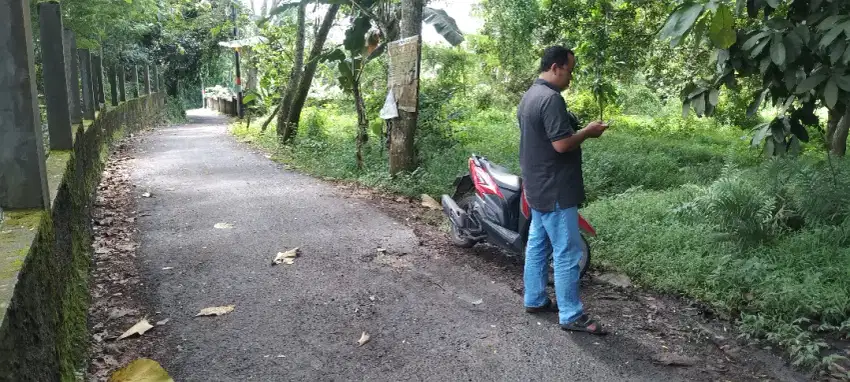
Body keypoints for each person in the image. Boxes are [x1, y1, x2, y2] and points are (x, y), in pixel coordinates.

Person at [517, 45, 608, 334]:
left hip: (536, 186)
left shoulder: (529, 96)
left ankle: (535, 299)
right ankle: (571, 315)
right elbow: (561, 144)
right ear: (556, 67)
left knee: (537, 247)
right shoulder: (551, 99)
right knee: (567, 252)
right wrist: (587, 132)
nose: (571, 78)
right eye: (570, 70)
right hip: (556, 190)